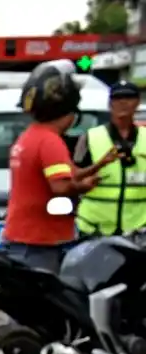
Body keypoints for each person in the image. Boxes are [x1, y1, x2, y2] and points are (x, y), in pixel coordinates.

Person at [4, 59, 120, 274]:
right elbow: (61, 186)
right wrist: (84, 188)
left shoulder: (30, 137)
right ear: (67, 111)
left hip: (23, 239)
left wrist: (98, 165)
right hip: (40, 242)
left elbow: (71, 173)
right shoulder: (51, 142)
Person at [73, 80, 146, 238]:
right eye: (117, 98)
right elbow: (74, 175)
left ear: (137, 103)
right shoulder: (90, 137)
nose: (123, 102)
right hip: (94, 227)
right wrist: (99, 165)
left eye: (129, 97)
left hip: (138, 229)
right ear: (110, 103)